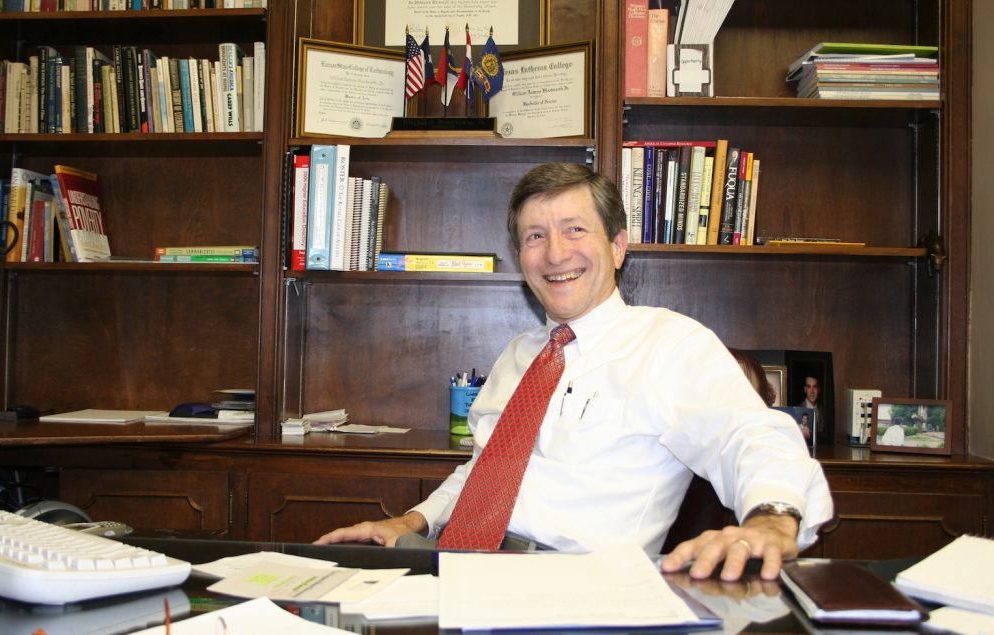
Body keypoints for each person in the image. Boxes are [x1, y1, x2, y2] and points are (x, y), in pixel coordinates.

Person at [315, 163, 833, 582]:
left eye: (575, 230)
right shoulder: (520, 353)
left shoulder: (669, 344)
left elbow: (750, 435)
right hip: (452, 563)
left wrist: (769, 518)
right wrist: (413, 521)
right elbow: (486, 470)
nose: (555, 253)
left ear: (618, 246)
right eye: (535, 236)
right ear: (521, 257)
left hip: (576, 588)